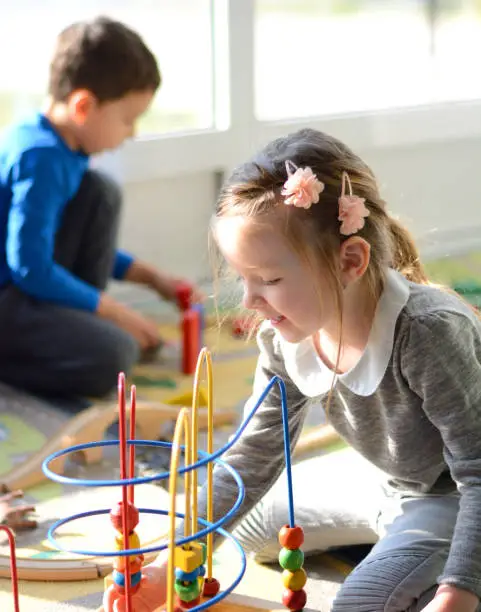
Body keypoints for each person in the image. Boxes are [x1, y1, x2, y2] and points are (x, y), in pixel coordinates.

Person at [108, 127, 481, 612]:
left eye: (269, 279)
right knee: (250, 530)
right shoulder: (285, 336)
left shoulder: (427, 333)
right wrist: (172, 563)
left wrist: (459, 590)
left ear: (350, 261)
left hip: (452, 493)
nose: (249, 300)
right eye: (243, 279)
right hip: (383, 479)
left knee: (359, 605)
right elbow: (251, 457)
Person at [0, 16, 202, 404]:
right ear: (84, 106)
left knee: (98, 192)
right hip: (9, 299)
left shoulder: (61, 146)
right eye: (127, 120)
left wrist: (151, 277)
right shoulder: (40, 158)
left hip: (24, 289)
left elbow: (54, 240)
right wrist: (113, 311)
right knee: (116, 356)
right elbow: (30, 268)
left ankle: (80, 324)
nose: (133, 133)